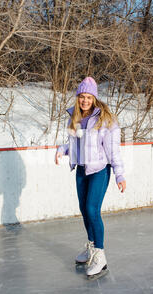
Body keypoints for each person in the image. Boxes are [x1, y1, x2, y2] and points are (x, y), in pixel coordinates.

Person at [55, 77, 126, 280]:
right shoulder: (74, 118)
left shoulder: (106, 120)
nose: (85, 101)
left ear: (94, 98)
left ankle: (100, 255)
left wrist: (119, 174)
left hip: (99, 170)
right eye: (82, 97)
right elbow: (76, 146)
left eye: (88, 97)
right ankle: (92, 246)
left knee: (93, 210)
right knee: (84, 210)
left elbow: (113, 151)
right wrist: (62, 149)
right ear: (77, 97)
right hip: (81, 170)